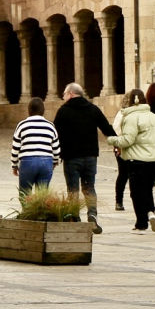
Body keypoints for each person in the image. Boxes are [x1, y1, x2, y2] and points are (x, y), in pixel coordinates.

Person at [52, 82, 114, 234]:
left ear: (71, 94)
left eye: (64, 94)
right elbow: (106, 128)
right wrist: (117, 143)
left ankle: (74, 218)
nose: (63, 97)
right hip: (90, 156)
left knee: (73, 189)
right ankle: (92, 215)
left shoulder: (64, 111)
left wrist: (55, 154)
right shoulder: (92, 109)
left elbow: (55, 134)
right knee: (89, 187)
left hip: (71, 157)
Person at [107, 88, 155, 234]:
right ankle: (150, 213)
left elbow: (127, 140)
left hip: (136, 160)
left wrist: (112, 140)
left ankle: (141, 223)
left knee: (136, 192)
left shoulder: (131, 117)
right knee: (148, 189)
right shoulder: (153, 116)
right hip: (154, 160)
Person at [10, 97, 60, 197]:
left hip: (27, 162)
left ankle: (26, 207)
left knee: (24, 194)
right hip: (46, 162)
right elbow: (56, 148)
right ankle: (40, 207)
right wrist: (54, 162)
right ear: (43, 110)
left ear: (29, 110)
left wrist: (14, 165)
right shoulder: (50, 126)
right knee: (42, 196)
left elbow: (15, 147)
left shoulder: (22, 125)